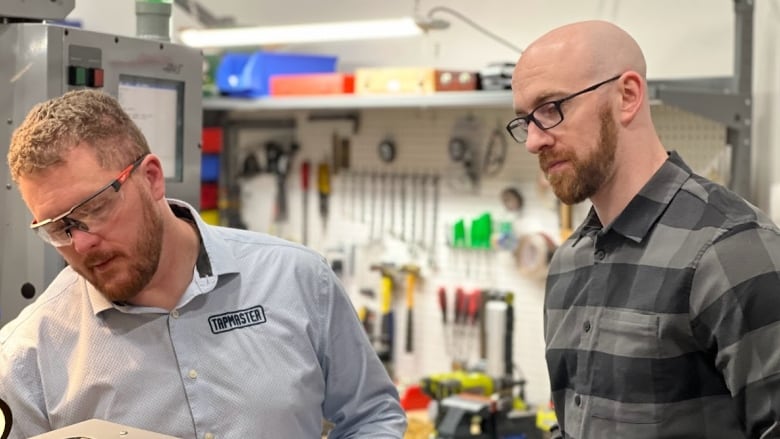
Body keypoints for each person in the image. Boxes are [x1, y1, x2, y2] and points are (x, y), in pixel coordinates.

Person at [0, 89, 407, 438]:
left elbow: (372, 415)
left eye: (95, 208)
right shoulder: (29, 354)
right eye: (59, 228)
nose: (83, 243)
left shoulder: (298, 280)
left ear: (152, 178)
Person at [507, 20, 780, 438]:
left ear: (628, 96)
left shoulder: (730, 250)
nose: (533, 141)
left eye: (551, 108)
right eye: (526, 120)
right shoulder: (568, 264)